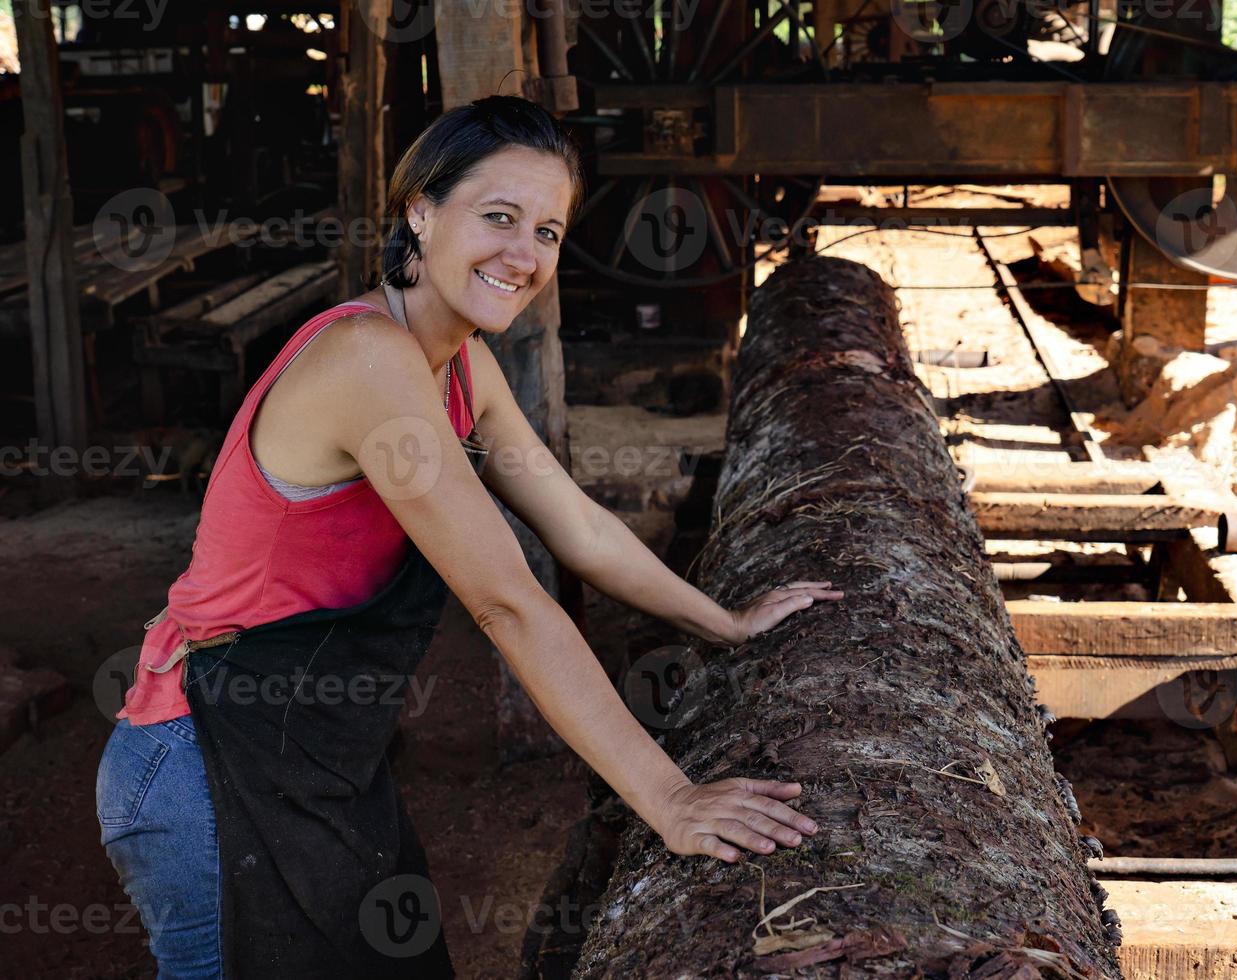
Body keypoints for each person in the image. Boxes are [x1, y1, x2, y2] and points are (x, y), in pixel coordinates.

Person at [95, 95, 843, 978]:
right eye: (497, 217)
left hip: (315, 756)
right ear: (421, 209)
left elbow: (579, 527)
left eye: (549, 232)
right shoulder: (368, 361)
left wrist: (727, 624)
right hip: (204, 758)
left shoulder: (460, 367)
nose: (523, 255)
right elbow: (505, 601)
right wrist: (669, 798)